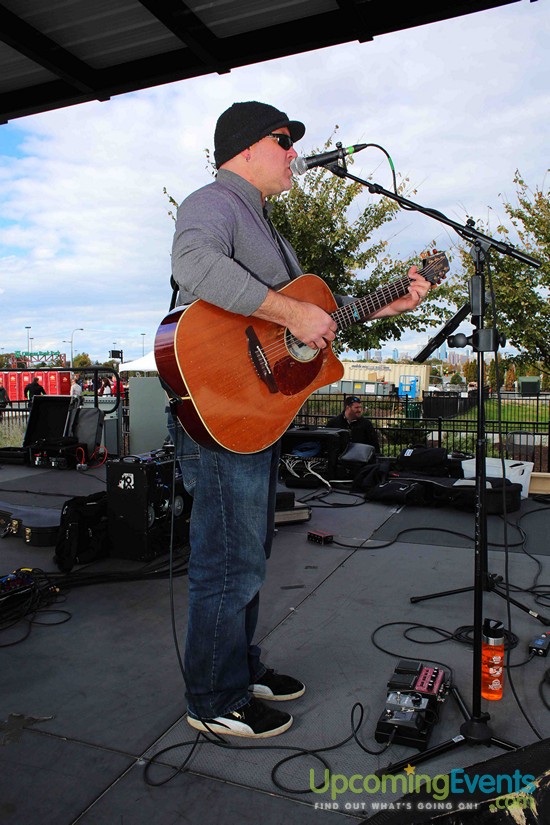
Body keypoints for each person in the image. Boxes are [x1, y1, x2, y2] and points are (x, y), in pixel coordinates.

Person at [169, 100, 432, 739]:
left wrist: (376, 307)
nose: (293, 153)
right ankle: (213, 699)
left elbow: (307, 327)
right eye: (283, 141)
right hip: (218, 409)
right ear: (245, 148)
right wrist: (289, 314)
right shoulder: (213, 202)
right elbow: (194, 267)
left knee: (249, 552)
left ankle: (238, 666)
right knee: (226, 560)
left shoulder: (269, 228)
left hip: (254, 416)